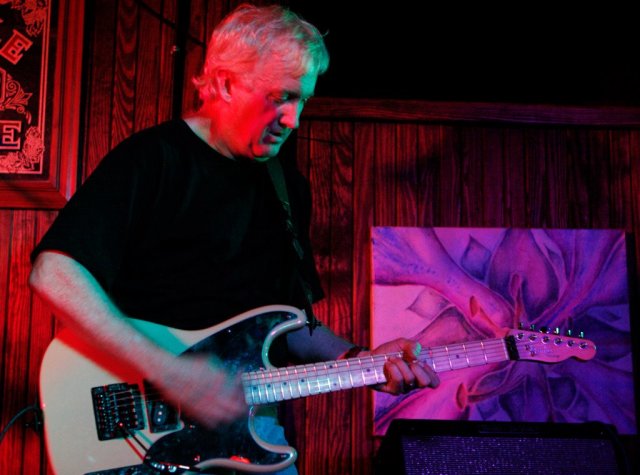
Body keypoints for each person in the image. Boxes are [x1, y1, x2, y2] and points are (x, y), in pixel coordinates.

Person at [29, 3, 439, 473]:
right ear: (225, 84)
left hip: (250, 432)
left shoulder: (287, 189)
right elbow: (53, 272)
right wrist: (170, 372)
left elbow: (289, 321)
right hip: (142, 436)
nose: (293, 119)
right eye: (281, 97)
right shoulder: (153, 159)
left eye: (302, 100)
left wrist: (360, 360)